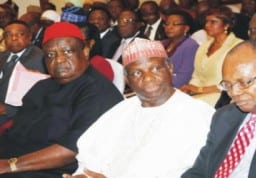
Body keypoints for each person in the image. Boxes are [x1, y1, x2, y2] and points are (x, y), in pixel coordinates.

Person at [62, 38, 215, 178]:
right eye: (137, 72)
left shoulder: (197, 114)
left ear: (169, 67)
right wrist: (84, 175)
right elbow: (89, 157)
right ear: (127, 79)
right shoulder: (121, 111)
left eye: (155, 68)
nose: (148, 77)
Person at [0, 22, 123, 177]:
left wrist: (11, 165)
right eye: (50, 55)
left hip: (47, 170)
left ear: (85, 51)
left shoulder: (98, 91)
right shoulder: (41, 86)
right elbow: (16, 130)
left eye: (67, 51)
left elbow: (72, 150)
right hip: (14, 159)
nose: (58, 60)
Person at [182, 40, 256, 178]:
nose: (234, 93)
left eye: (243, 83)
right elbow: (200, 171)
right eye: (228, 85)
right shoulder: (225, 117)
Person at [180, 6, 243, 106]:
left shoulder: (238, 46)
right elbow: (197, 76)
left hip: (222, 96)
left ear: (226, 25)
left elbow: (234, 81)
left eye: (213, 22)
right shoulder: (204, 46)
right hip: (198, 94)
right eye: (206, 22)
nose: (207, 26)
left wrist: (200, 89)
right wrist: (189, 89)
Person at [0, 20, 47, 125]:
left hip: (15, 117)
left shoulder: (37, 59)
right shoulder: (3, 55)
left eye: (20, 34)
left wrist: (7, 109)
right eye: (8, 35)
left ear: (29, 37)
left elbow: (37, 100)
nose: (14, 38)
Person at [162, 10, 199, 88]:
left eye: (175, 24)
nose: (169, 27)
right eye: (167, 24)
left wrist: (158, 84)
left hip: (176, 89)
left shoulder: (191, 46)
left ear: (186, 28)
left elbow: (184, 78)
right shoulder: (161, 44)